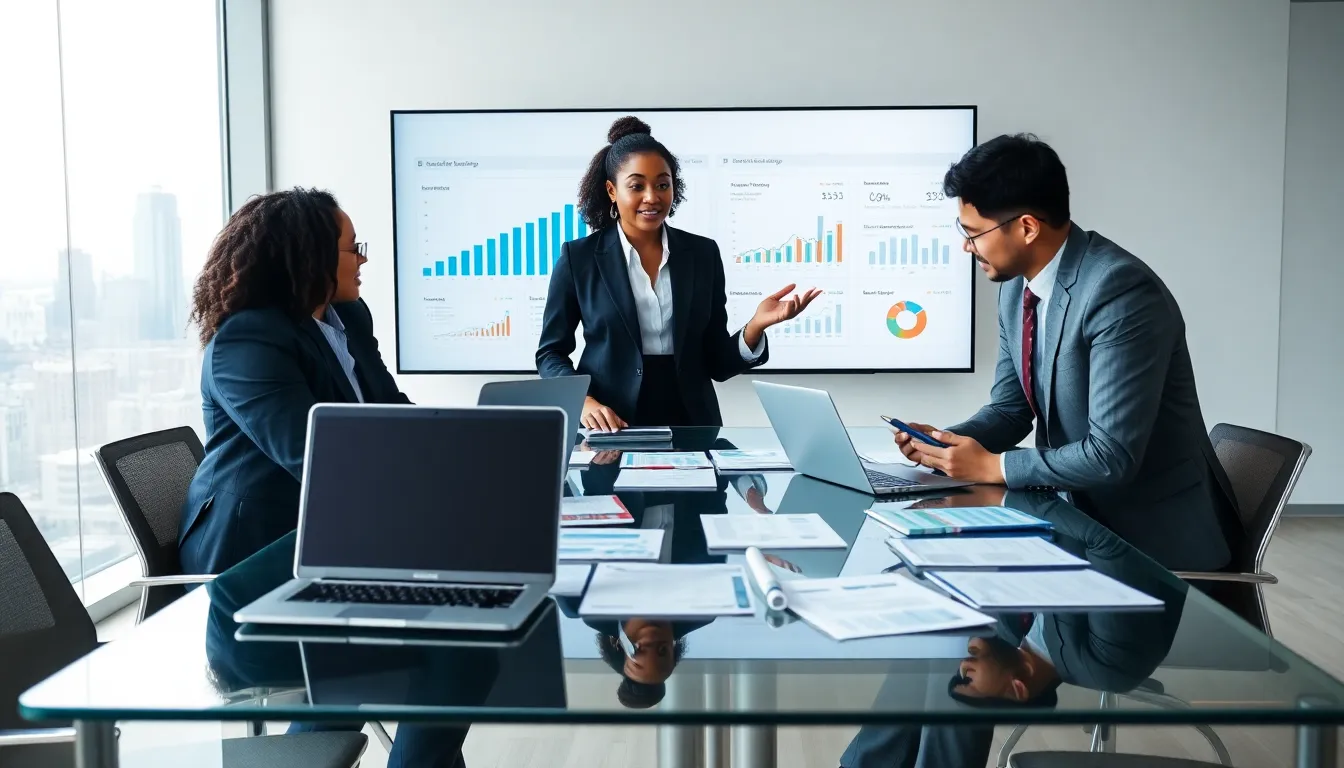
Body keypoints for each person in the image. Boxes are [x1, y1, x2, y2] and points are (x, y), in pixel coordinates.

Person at [889, 134, 1241, 572]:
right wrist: (942, 447)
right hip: (1070, 522)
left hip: (1149, 545)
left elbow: (1110, 456)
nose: (966, 246)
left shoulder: (1120, 292)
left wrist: (995, 466)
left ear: (1027, 227)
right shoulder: (1017, 288)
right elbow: (1009, 409)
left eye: (974, 233)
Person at [179, 188, 410, 575]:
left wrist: (457, 456)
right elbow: (314, 456)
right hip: (254, 552)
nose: (363, 258)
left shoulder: (349, 316)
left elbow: (391, 408)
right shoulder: (247, 341)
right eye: (353, 249)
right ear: (312, 258)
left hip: (333, 529)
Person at [536, 116, 821, 430]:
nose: (652, 197)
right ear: (612, 190)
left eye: (662, 184)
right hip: (611, 423)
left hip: (692, 424)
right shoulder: (580, 258)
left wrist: (755, 326)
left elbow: (716, 362)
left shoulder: (702, 254)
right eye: (636, 186)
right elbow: (551, 353)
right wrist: (584, 402)